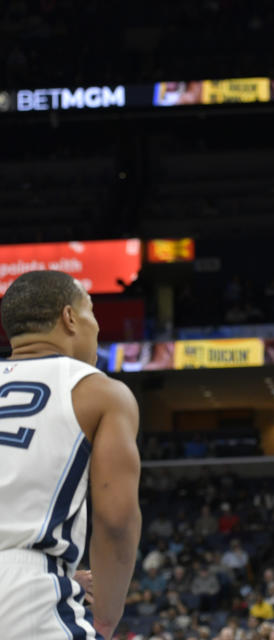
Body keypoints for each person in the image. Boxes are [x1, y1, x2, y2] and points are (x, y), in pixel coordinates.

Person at [0, 270, 141, 638]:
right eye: (91, 312)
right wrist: (106, 618)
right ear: (69, 318)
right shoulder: (99, 391)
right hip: (24, 600)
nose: (97, 326)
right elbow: (117, 520)